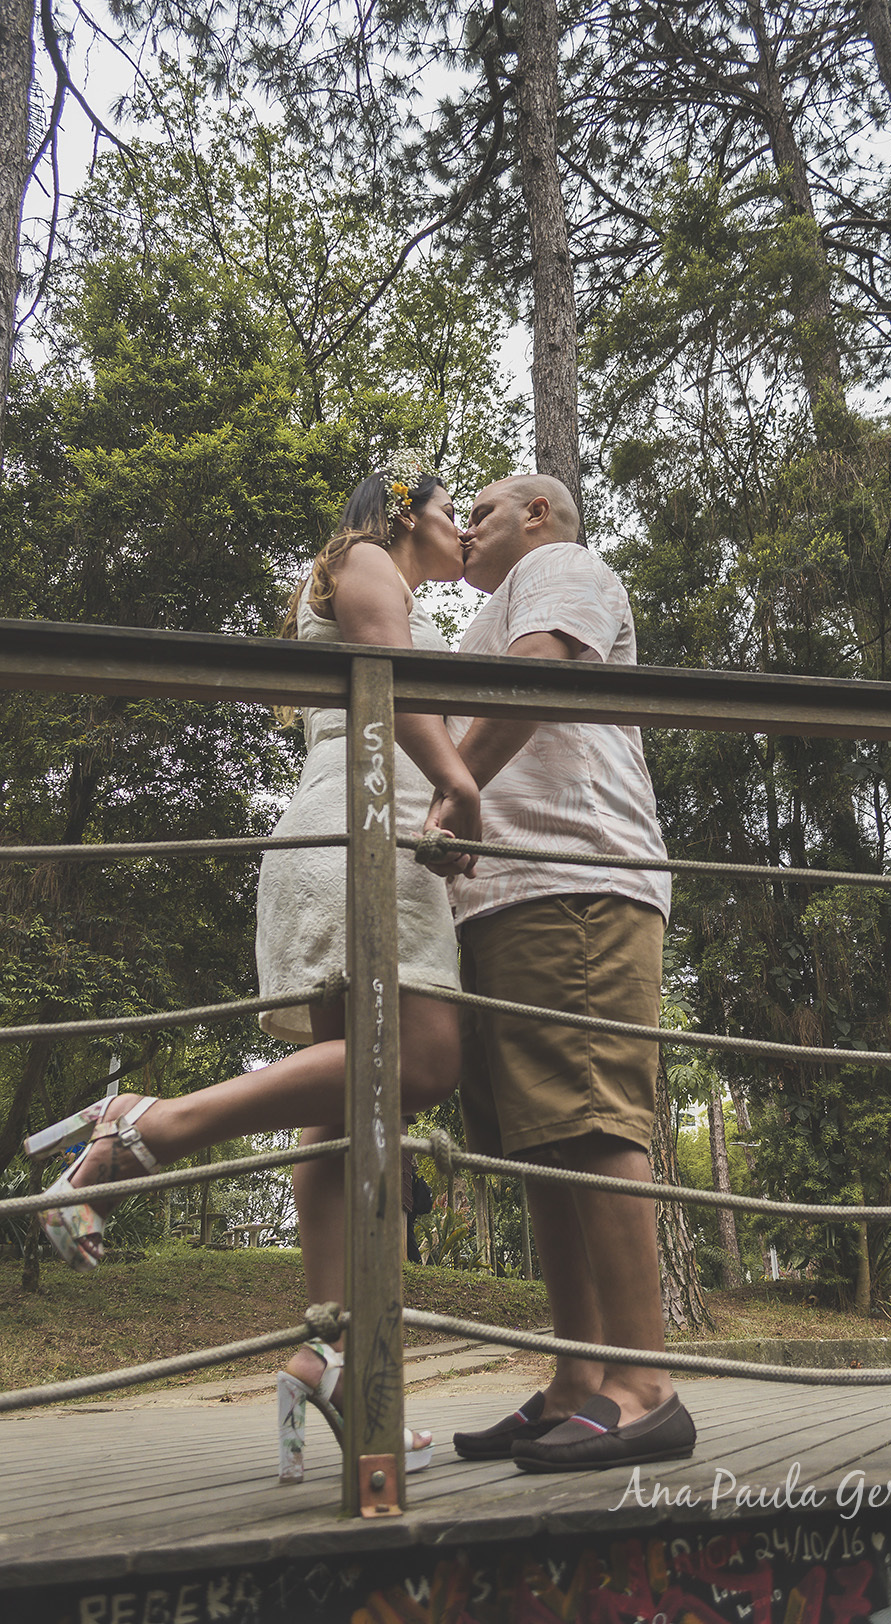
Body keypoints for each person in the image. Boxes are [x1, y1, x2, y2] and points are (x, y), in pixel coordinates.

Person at [24, 458, 479, 1482]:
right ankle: (151, 1125)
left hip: (342, 828)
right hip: (364, 827)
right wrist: (458, 780)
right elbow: (392, 682)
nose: (463, 529)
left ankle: (332, 1345)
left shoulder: (355, 572)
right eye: (454, 510)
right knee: (424, 1061)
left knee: (340, 1105)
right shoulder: (366, 560)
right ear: (406, 512)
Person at [425, 473, 696, 1473]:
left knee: (591, 1118)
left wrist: (453, 795)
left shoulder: (561, 566)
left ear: (536, 513)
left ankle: (645, 1384)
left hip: (574, 876)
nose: (465, 530)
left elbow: (540, 672)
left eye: (480, 512)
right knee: (542, 1141)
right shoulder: (496, 603)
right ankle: (578, 1376)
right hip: (503, 896)